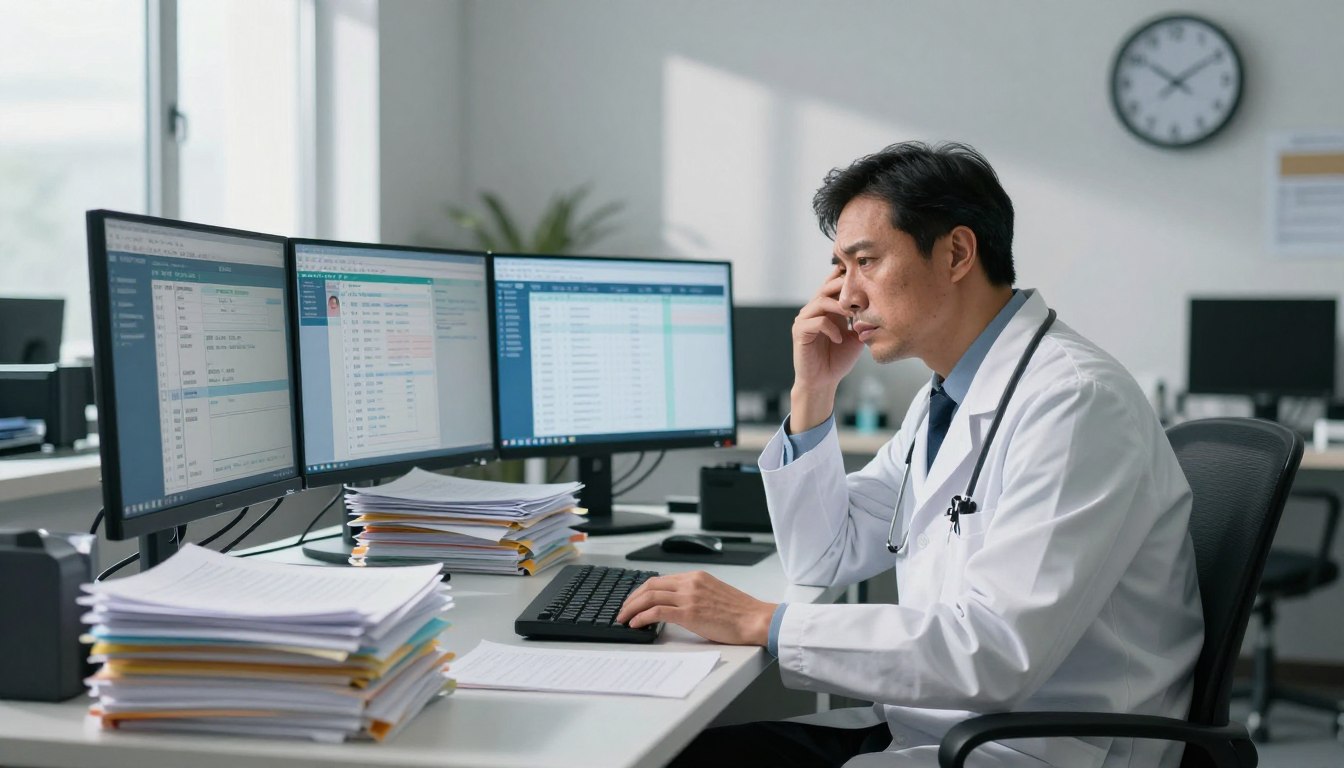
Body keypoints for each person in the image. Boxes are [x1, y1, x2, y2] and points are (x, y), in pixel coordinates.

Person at [616, 142, 1203, 767]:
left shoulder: (1075, 402)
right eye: (840, 268)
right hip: (942, 725)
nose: (845, 296)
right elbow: (823, 555)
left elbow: (996, 652)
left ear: (956, 253)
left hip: (1043, 748)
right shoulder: (946, 396)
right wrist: (813, 390)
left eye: (865, 261)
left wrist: (764, 622)